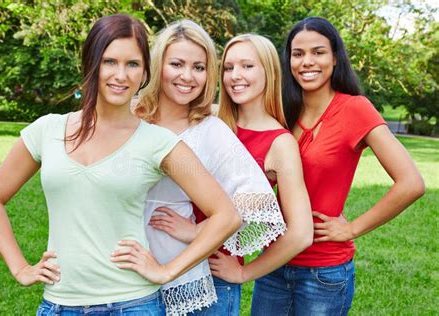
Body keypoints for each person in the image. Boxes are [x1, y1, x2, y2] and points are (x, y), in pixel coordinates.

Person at [0, 14, 242, 315]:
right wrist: (20, 267)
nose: (121, 75)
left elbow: (226, 215)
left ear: (145, 72)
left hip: (134, 304)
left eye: (132, 64)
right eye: (109, 61)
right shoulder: (47, 130)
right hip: (61, 304)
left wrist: (167, 271)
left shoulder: (157, 142)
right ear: (91, 63)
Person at [238, 17, 424, 315]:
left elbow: (412, 183)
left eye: (318, 52)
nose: (307, 62)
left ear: (335, 58)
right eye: (298, 54)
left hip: (323, 274)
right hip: (273, 264)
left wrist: (351, 228)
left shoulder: (355, 109)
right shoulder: (281, 111)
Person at [134, 21, 287, 315]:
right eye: (177, 64)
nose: (187, 76)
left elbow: (256, 197)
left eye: (199, 68)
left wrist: (196, 231)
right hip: (125, 268)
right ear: (157, 65)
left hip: (184, 272)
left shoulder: (209, 128)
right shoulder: (130, 115)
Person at [211, 32, 313, 307]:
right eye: (229, 67)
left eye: (247, 66)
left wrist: (245, 272)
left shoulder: (280, 143)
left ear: (268, 72)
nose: (235, 75)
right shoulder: (210, 121)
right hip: (165, 263)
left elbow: (302, 232)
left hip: (215, 273)